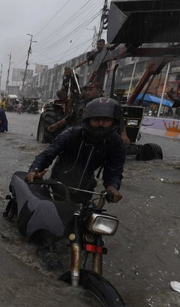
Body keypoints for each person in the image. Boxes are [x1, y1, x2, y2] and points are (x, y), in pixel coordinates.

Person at [9, 98, 126, 268]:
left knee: (87, 230)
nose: (101, 124)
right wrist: (34, 170)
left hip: (86, 188)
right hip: (59, 184)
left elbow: (114, 171)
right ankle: (46, 249)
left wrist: (112, 188)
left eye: (106, 120)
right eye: (96, 119)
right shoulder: (71, 134)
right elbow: (48, 154)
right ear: (87, 120)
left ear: (114, 122)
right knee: (50, 226)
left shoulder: (116, 144)